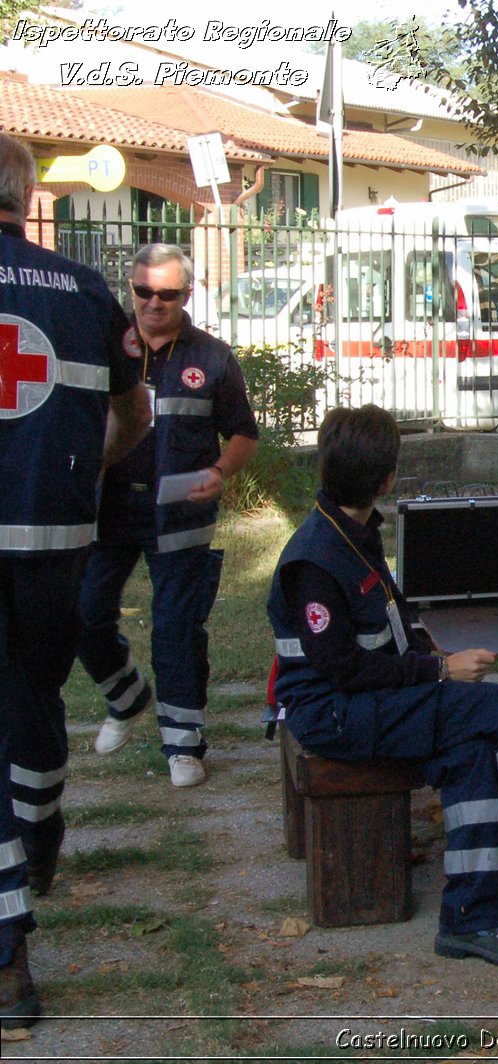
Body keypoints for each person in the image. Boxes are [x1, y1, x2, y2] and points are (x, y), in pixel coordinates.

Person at [267, 405, 498, 967]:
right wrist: (440, 671)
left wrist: (424, 659)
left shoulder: (352, 531)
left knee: (470, 755)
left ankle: (472, 920)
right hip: (331, 713)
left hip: (366, 700)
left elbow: (391, 632)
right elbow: (343, 670)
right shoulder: (314, 559)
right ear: (388, 479)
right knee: (489, 707)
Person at [0, 132, 151, 1028]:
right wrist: (83, 470)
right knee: (34, 700)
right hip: (54, 537)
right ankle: (42, 835)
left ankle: (10, 958)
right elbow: (135, 414)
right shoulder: (87, 291)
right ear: (26, 197)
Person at [76, 243, 260, 789]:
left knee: (177, 627)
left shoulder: (213, 358)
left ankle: (183, 744)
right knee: (84, 612)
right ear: (129, 288)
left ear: (188, 293)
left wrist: (220, 473)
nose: (155, 303)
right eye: (144, 292)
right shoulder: (102, 347)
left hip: (181, 512)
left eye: (168, 294)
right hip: (107, 508)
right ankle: (125, 696)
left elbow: (245, 435)